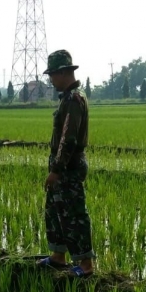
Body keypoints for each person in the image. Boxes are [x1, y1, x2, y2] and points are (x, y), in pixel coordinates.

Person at [37, 50, 95, 277]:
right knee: (55, 210)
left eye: (53, 75)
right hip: (62, 164)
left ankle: (86, 265)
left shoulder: (73, 99)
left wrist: (56, 170)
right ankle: (58, 256)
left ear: (63, 73)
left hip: (69, 166)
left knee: (74, 214)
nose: (51, 80)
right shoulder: (68, 98)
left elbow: (68, 139)